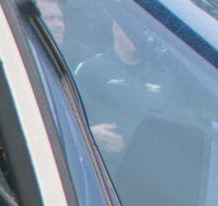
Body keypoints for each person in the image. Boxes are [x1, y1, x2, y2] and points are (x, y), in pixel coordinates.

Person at [73, 15, 173, 164]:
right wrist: (89, 134)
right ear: (116, 28)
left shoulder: (163, 75)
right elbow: (65, 119)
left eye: (142, 31)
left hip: (151, 168)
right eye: (132, 30)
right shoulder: (91, 70)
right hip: (104, 170)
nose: (138, 36)